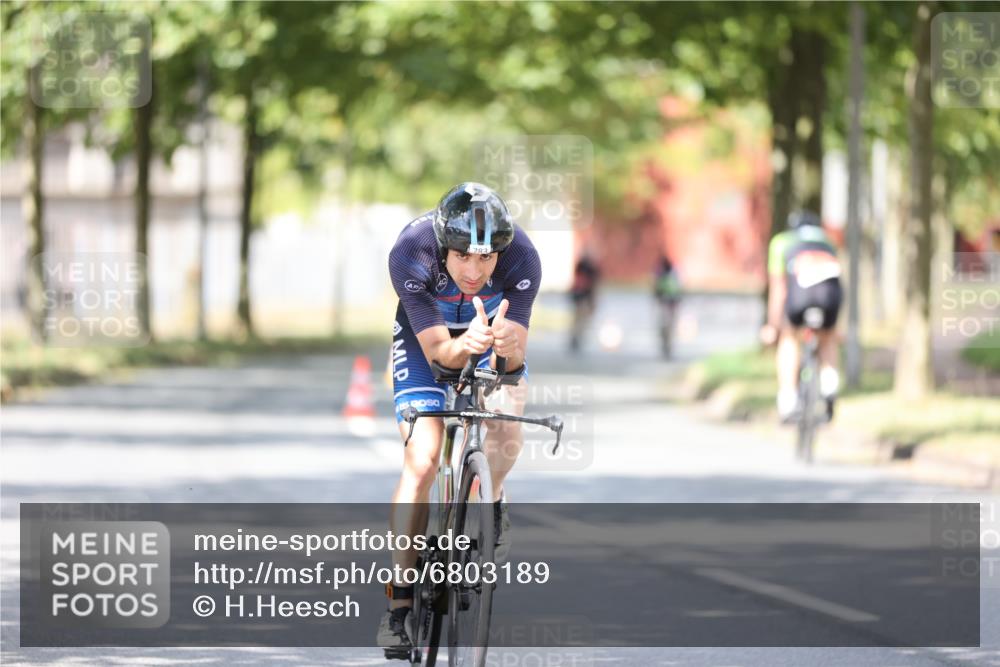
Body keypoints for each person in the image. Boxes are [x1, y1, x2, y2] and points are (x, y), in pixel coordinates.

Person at [377, 182, 541, 659]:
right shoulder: (412, 250)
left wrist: (507, 349)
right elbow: (438, 354)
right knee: (423, 459)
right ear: (444, 247)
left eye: (486, 258)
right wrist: (462, 345)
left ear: (500, 252)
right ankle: (399, 605)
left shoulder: (523, 257)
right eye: (463, 256)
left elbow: (513, 363)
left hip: (489, 332)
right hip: (426, 340)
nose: (474, 270)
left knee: (506, 428)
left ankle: (491, 499)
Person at [760, 210, 843, 422]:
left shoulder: (781, 242)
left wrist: (772, 325)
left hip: (799, 300)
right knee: (827, 337)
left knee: (789, 339)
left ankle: (788, 399)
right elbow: (837, 283)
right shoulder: (828, 242)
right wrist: (837, 326)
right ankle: (830, 384)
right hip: (829, 301)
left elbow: (779, 289)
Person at [568, 251, 600, 352]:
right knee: (580, 319)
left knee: (581, 320)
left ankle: (577, 337)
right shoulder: (587, 268)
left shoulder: (588, 268)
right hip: (582, 297)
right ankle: (576, 337)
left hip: (584, 297)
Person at [653, 255, 682, 357]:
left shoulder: (663, 274)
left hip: (669, 303)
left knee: (668, 325)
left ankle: (667, 342)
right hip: (668, 303)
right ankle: (666, 342)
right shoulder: (668, 274)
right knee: (666, 324)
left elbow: (657, 288)